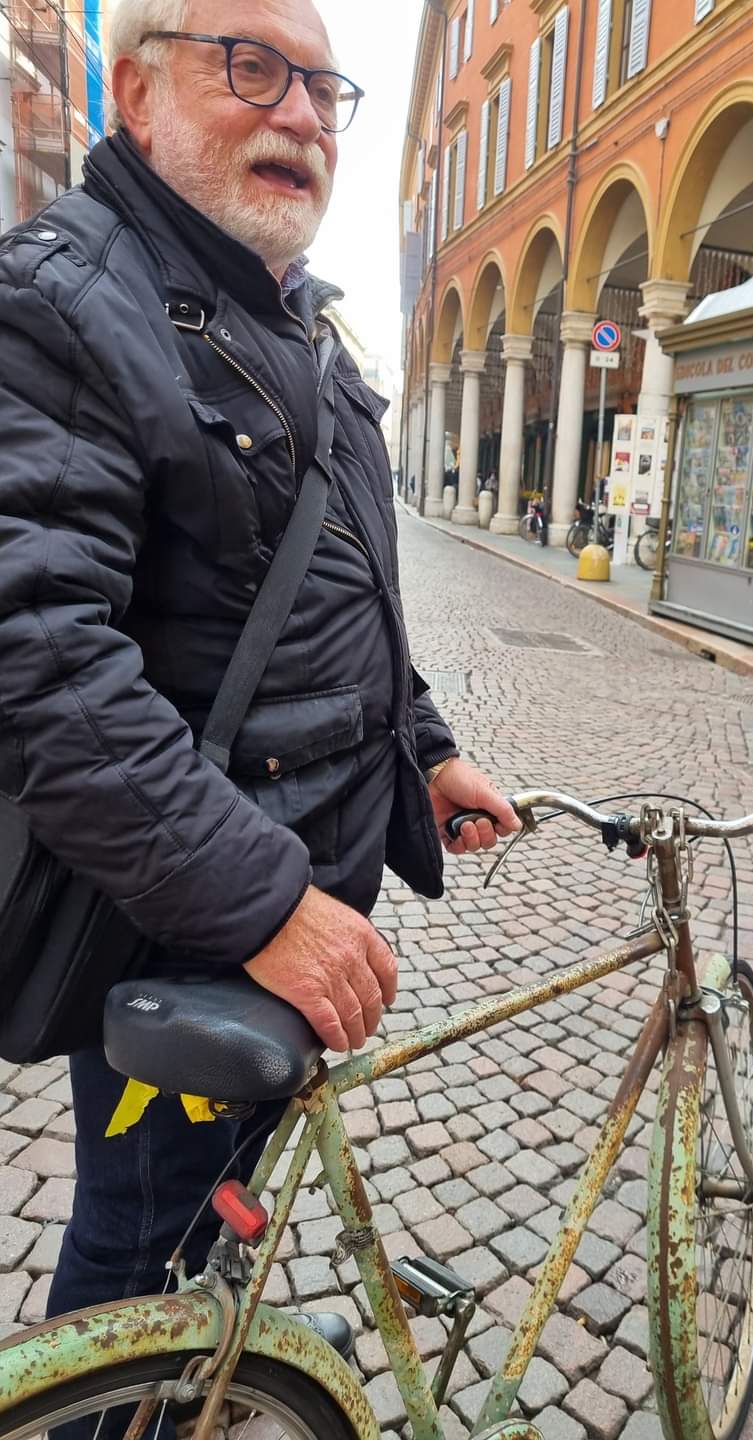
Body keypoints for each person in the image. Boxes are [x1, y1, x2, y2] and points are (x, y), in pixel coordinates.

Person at [0, 0, 520, 1423]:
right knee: (135, 1251)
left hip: (279, 898)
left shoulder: (287, 320)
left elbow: (343, 590)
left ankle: (184, 1387)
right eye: (250, 67)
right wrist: (264, 910)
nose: (298, 112)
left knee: (194, 1221)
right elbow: (36, 663)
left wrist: (427, 751)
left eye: (323, 86)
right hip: (191, 918)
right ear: (137, 86)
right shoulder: (58, 300)